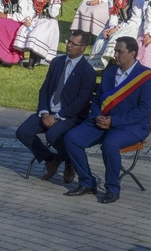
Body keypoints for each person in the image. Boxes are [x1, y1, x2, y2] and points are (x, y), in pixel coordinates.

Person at [64, 37, 151, 203]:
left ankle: (112, 189)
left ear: (132, 53)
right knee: (72, 139)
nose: (115, 55)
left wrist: (113, 121)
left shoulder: (147, 78)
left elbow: (143, 110)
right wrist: (96, 116)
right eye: (115, 51)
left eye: (119, 52)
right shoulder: (109, 72)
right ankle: (87, 182)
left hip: (131, 126)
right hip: (103, 121)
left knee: (110, 144)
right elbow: (99, 99)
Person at [16, 31, 96, 183]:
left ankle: (69, 162)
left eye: (74, 44)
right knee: (23, 132)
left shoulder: (87, 72)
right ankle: (51, 158)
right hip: (49, 111)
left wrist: (57, 117)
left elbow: (81, 102)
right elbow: (45, 89)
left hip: (70, 116)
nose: (69, 45)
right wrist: (45, 111)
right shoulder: (57, 62)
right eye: (68, 42)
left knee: (52, 135)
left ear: (83, 48)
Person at [88, 0, 145, 71]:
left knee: (116, 39)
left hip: (133, 26)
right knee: (101, 39)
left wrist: (117, 28)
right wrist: (111, 28)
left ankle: (115, 63)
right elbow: (113, 15)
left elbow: (136, 20)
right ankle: (101, 66)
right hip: (118, 24)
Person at [13, 0, 63, 68]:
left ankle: (31, 63)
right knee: (22, 30)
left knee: (35, 34)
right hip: (36, 19)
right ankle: (19, 59)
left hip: (48, 21)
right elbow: (31, 11)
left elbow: (53, 13)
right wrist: (28, 19)